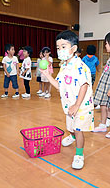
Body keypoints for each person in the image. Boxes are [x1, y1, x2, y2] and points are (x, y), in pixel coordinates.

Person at [41, 30, 94, 169]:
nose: (60, 50)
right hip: (69, 104)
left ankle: (79, 155)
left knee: (77, 129)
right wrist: (47, 75)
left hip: (81, 105)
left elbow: (84, 85)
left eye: (63, 47)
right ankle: (72, 137)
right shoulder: (64, 66)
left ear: (74, 48)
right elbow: (59, 86)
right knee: (70, 127)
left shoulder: (80, 66)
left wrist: (77, 105)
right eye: (58, 48)